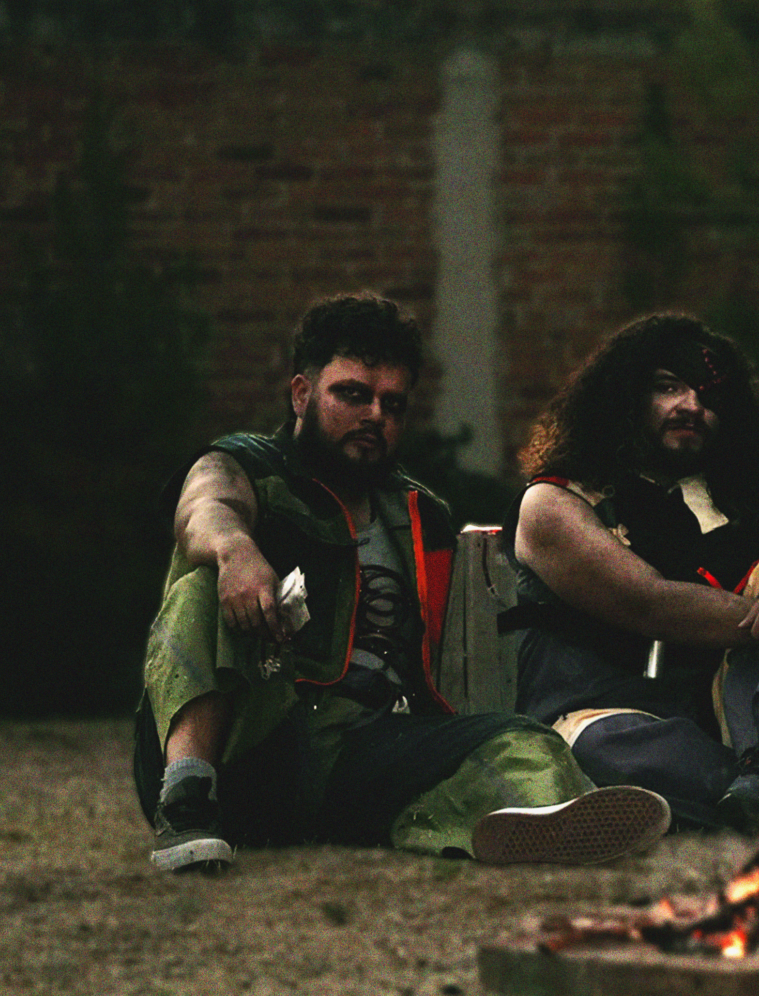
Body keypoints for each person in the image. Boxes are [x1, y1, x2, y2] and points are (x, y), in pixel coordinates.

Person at [135, 292, 671, 875]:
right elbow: (205, 507)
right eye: (353, 395)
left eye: (392, 404)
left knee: (519, 738)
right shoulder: (247, 464)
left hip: (361, 750)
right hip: (256, 737)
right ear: (301, 394)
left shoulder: (420, 514)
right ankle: (187, 798)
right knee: (204, 583)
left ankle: (545, 818)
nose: (375, 415)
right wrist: (237, 552)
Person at [500, 312, 759, 834]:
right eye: (668, 387)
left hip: (728, 720)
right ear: (625, 395)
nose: (691, 406)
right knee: (622, 758)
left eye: (709, 396)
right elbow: (650, 603)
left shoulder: (744, 501)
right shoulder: (555, 502)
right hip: (596, 718)